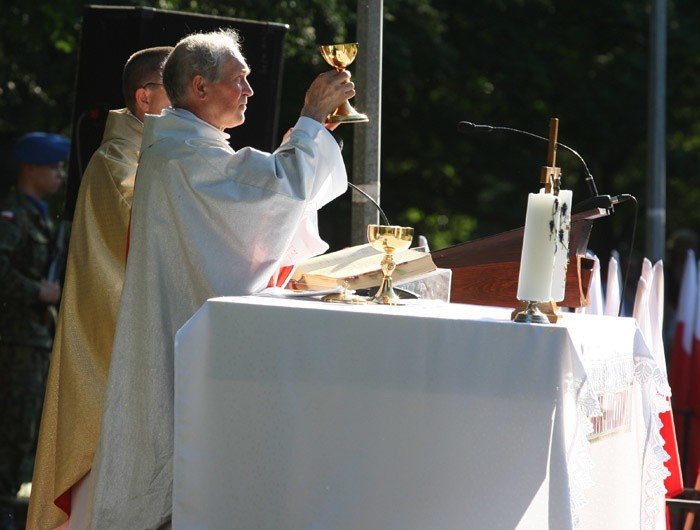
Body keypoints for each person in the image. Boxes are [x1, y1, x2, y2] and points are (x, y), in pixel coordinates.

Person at [88, 29, 353, 529]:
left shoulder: (187, 149)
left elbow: (269, 195)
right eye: (239, 80)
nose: (250, 91)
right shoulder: (180, 155)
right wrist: (311, 120)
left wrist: (304, 140)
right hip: (189, 343)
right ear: (199, 87)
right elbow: (277, 192)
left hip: (196, 340)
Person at [25, 46, 173, 530]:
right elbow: (155, 241)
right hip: (113, 345)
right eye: (183, 90)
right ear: (147, 98)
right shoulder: (119, 163)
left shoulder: (151, 155)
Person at [0, 132, 70, 529]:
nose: (60, 174)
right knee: (12, 429)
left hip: (34, 338)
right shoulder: (13, 214)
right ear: (29, 168)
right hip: (15, 341)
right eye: (53, 166)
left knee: (26, 431)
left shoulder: (39, 213)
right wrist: (38, 291)